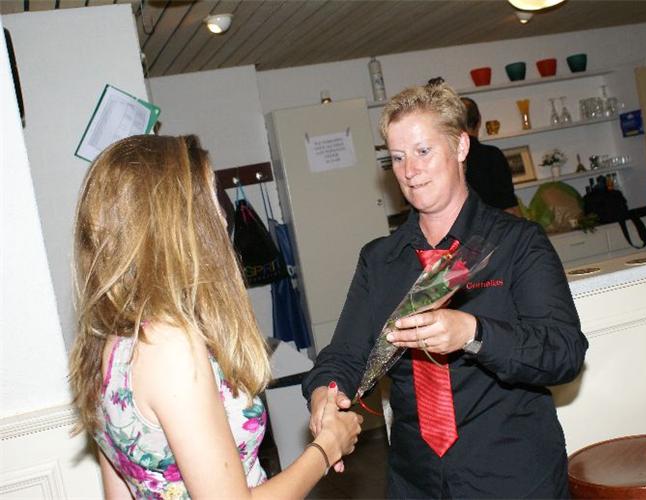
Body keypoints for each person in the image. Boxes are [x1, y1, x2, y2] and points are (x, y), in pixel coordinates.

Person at [302, 84, 588, 498]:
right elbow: (345, 355)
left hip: (513, 476)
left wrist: (474, 333)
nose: (409, 171)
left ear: (460, 147)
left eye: (423, 151)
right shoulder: (380, 261)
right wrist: (324, 397)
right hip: (416, 482)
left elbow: (564, 352)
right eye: (397, 157)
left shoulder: (516, 242)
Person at [68, 134, 362, 498]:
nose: (223, 220)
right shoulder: (169, 345)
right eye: (210, 199)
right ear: (174, 222)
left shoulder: (109, 344)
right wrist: (327, 446)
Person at [461, 97, 522, 217]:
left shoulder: (449, 159)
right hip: (495, 223)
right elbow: (509, 205)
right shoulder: (492, 155)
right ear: (479, 120)